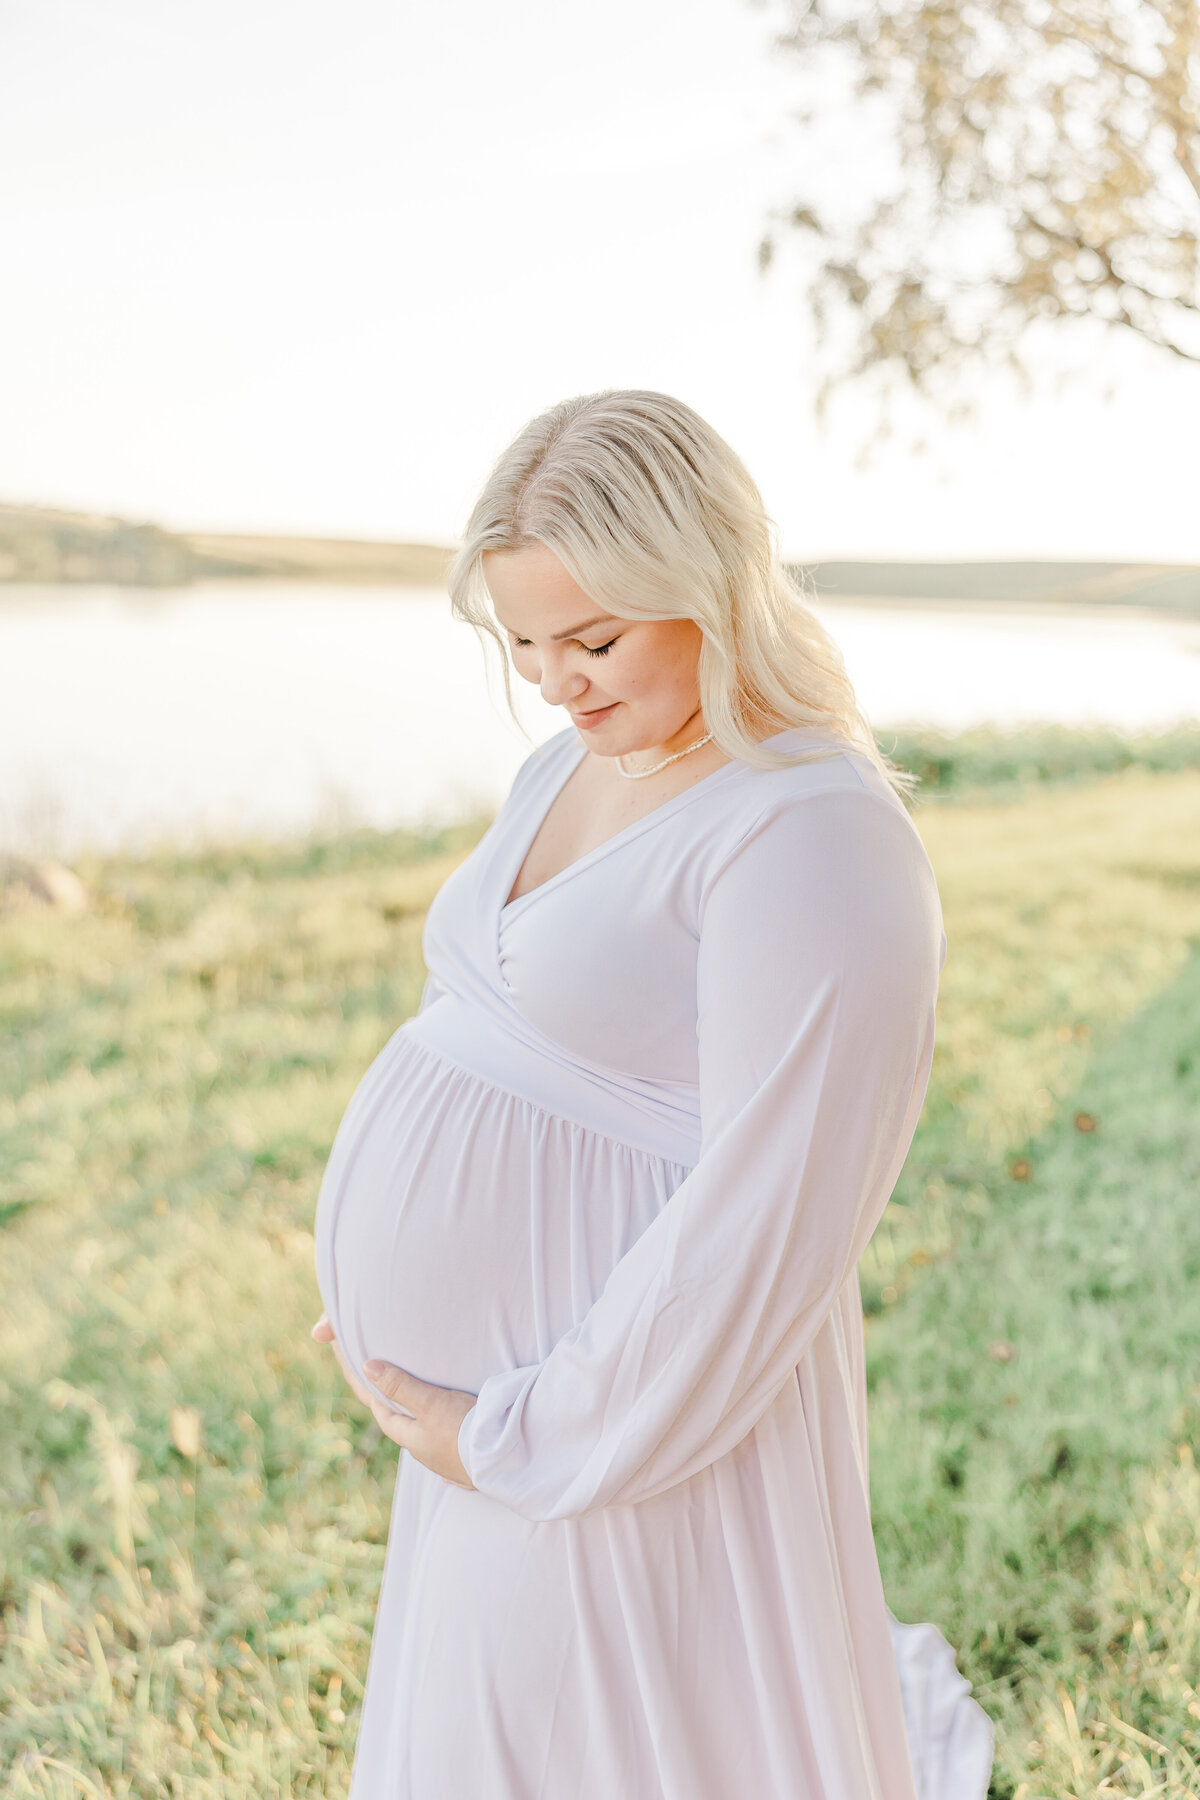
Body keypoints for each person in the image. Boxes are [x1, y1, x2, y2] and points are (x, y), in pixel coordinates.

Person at [310, 390, 994, 1799]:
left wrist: (518, 1431)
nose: (557, 679)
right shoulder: (569, 760)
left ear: (712, 586)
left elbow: (768, 1219)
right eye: (525, 644)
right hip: (493, 1419)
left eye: (596, 638)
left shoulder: (813, 832)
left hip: (626, 1430)